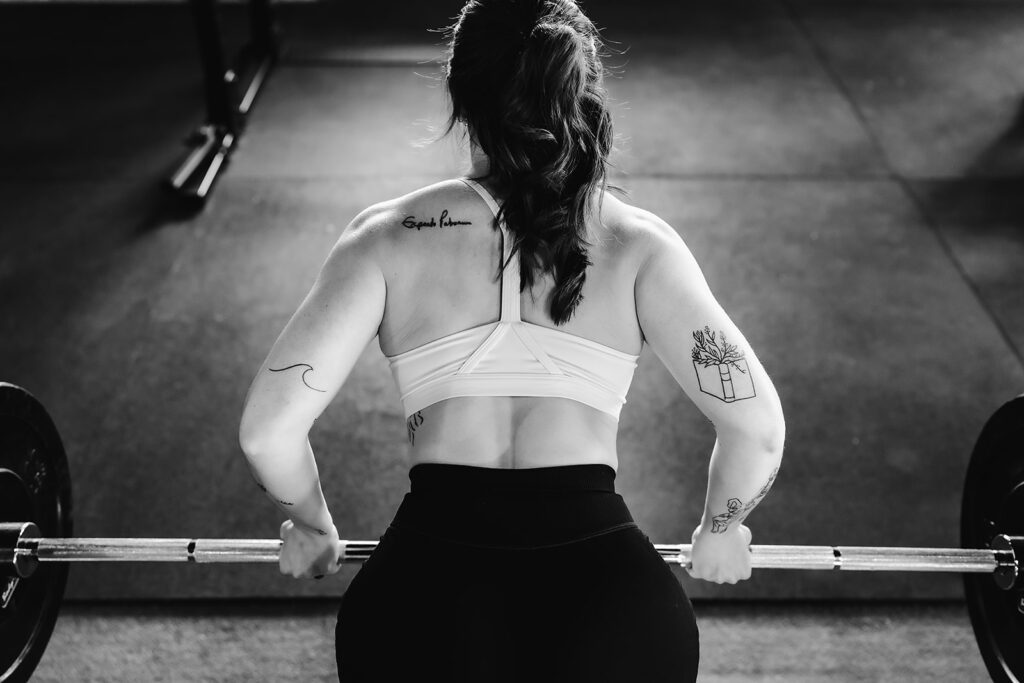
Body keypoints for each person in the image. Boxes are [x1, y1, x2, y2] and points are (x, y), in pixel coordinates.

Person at [238, 0, 785, 680]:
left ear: (460, 97)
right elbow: (756, 427)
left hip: (422, 607)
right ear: (580, 94)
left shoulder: (385, 239)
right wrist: (721, 530)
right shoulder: (641, 247)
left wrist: (314, 528)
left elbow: (267, 433)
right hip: (611, 610)